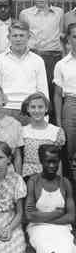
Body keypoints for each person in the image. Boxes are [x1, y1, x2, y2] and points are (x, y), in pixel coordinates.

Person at [25, 144, 76, 253]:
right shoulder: (34, 181)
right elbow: (30, 215)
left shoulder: (65, 183)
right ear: (41, 161)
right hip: (38, 228)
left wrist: (47, 218)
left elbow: (71, 216)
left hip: (61, 228)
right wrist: (56, 213)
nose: (52, 166)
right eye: (48, 161)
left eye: (55, 162)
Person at [0, 20, 49, 126]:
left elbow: (43, 91)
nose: (18, 39)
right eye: (15, 35)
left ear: (28, 37)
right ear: (8, 37)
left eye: (22, 35)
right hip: (6, 110)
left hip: (31, 110)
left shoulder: (37, 60)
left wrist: (45, 118)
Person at [19, 0, 64, 105]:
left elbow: (61, 36)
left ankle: (51, 117)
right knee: (34, 90)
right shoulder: (25, 14)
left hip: (53, 58)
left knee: (53, 90)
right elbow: (23, 37)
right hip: (33, 56)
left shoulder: (59, 13)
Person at [21, 92, 65, 179]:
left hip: (49, 175)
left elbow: (59, 160)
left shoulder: (56, 131)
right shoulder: (22, 131)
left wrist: (58, 181)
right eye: (33, 107)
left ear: (46, 109)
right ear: (27, 109)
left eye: (40, 107)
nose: (37, 110)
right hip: (27, 176)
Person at [54, 22, 76, 174]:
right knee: (69, 149)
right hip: (70, 104)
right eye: (75, 36)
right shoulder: (62, 64)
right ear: (68, 39)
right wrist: (59, 124)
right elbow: (57, 94)